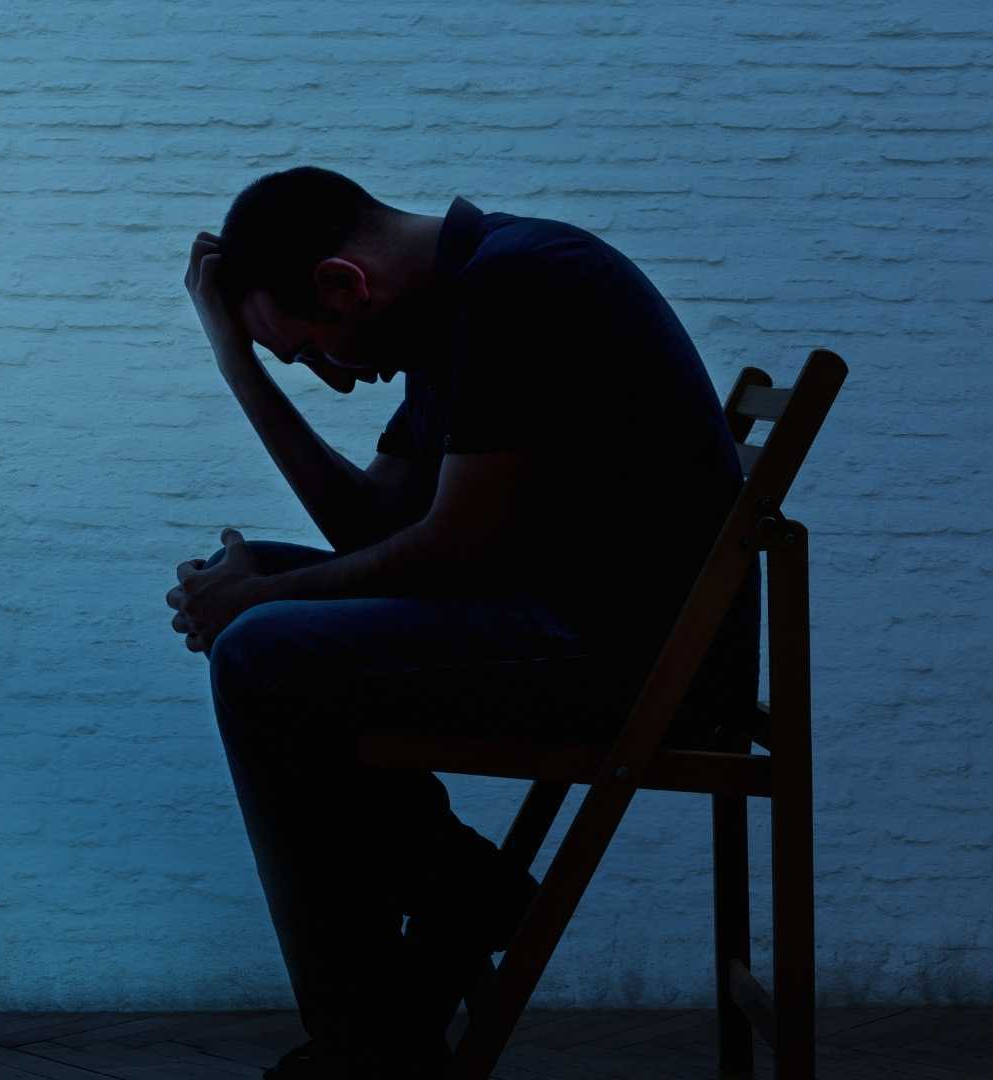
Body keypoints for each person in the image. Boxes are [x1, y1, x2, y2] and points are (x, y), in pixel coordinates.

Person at [164, 166, 761, 1078]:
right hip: (578, 625)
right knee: (267, 611)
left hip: (636, 660)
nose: (340, 378)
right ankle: (452, 904)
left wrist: (262, 604)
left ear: (342, 284)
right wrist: (235, 362)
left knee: (261, 652)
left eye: (316, 349)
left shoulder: (521, 283)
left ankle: (370, 1042)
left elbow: (451, 551)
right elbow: (372, 527)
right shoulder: (464, 302)